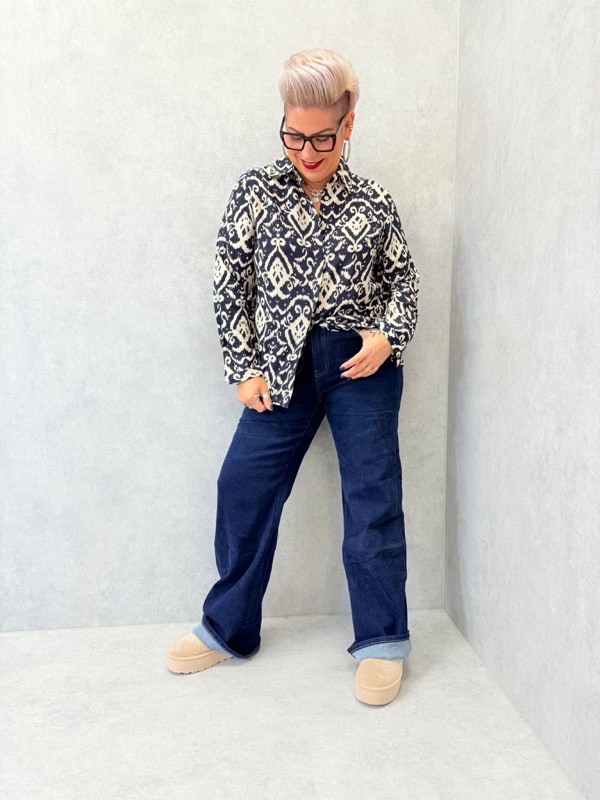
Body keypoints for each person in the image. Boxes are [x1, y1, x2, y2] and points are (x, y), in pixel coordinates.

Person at [166, 49, 419, 706]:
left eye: (322, 138)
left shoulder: (375, 202)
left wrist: (387, 336)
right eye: (294, 135)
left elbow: (404, 284)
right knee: (242, 487)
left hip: (360, 364)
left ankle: (382, 639)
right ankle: (227, 627)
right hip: (279, 366)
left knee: (373, 498)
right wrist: (243, 367)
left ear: (347, 125)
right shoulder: (254, 191)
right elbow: (230, 284)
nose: (307, 151)